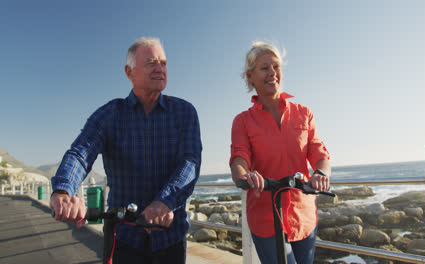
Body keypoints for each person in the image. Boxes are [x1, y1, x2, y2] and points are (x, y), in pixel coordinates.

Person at [50, 37, 202, 264]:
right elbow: (80, 153)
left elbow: (190, 162)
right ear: (129, 72)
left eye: (164, 62)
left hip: (171, 237)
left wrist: (164, 202)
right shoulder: (109, 114)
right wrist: (63, 191)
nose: (160, 68)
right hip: (124, 237)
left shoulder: (185, 112)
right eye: (151, 62)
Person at [229, 41, 331, 264]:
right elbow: (239, 159)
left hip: (303, 213)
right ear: (250, 77)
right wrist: (244, 176)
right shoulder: (243, 121)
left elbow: (319, 153)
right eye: (264, 68)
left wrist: (321, 174)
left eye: (276, 67)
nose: (272, 73)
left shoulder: (304, 113)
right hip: (265, 216)